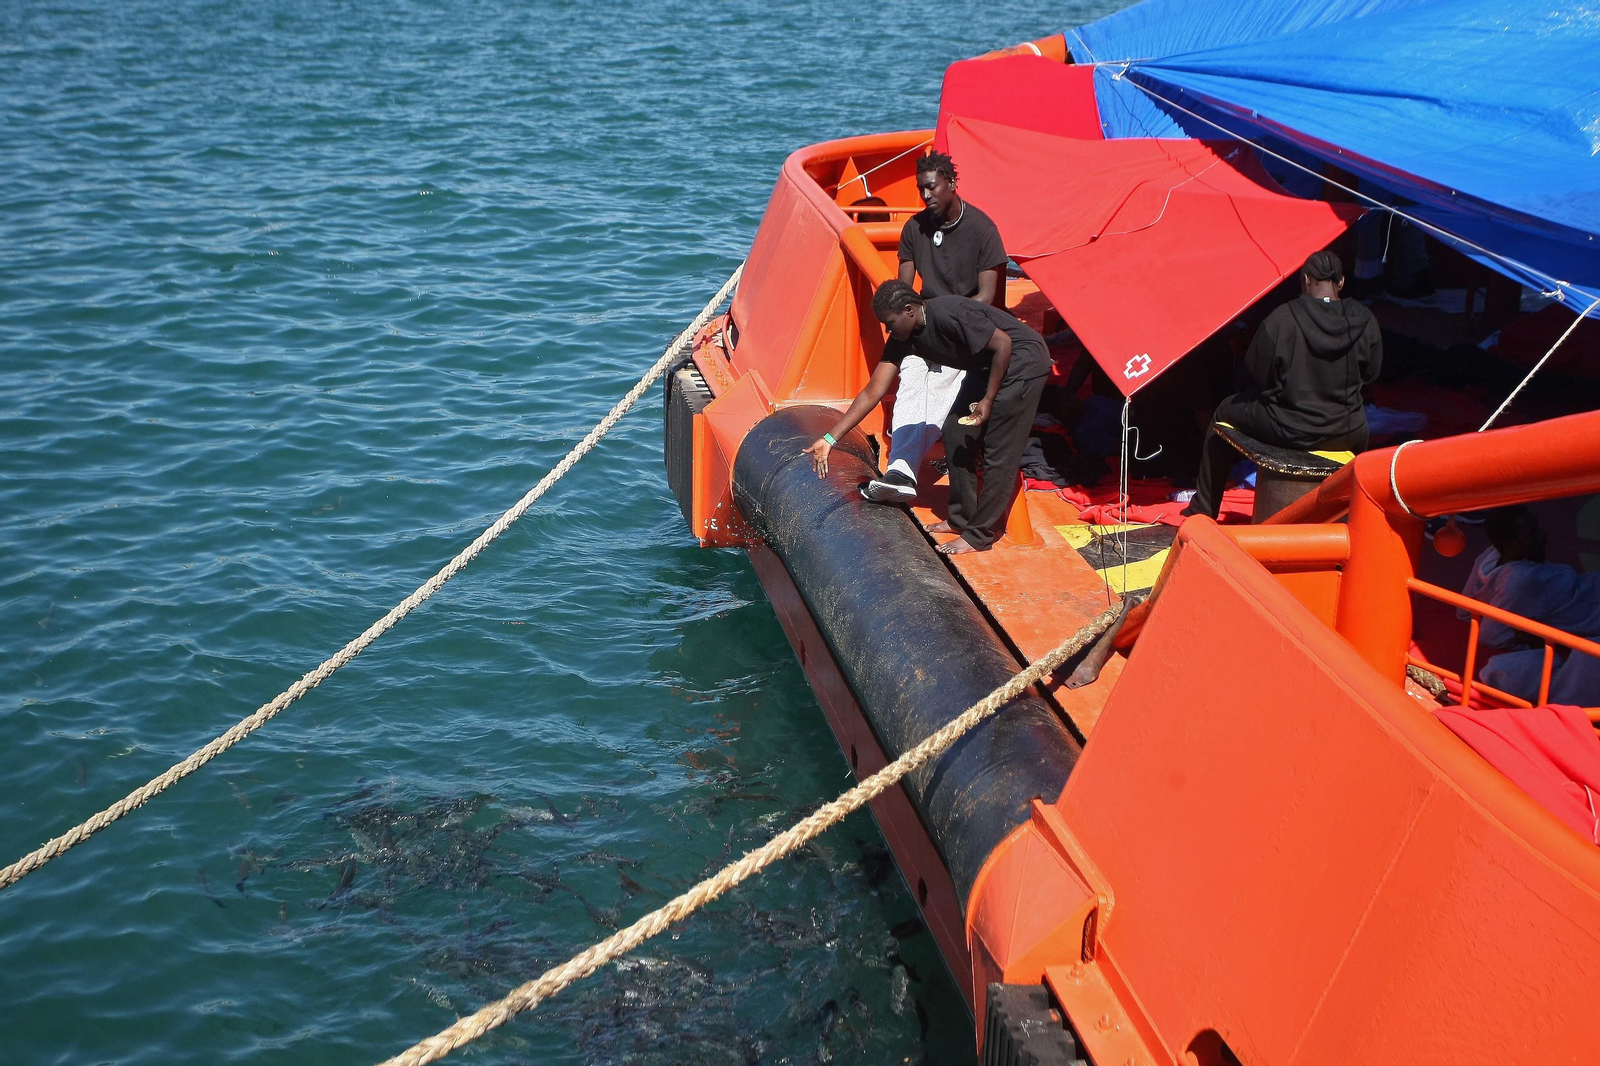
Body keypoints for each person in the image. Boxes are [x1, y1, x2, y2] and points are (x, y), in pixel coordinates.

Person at [803, 281, 1049, 554]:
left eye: (890, 323)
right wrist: (830, 438)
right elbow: (873, 391)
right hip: (985, 365)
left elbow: (1003, 343)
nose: (887, 330)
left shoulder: (948, 314)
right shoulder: (902, 338)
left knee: (999, 452)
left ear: (909, 311)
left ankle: (978, 536)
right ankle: (961, 518)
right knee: (956, 433)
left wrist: (988, 400)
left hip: (1021, 363)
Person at [1182, 250, 1381, 519]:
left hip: (1288, 428)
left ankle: (1203, 510)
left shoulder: (1282, 318)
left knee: (1222, 413)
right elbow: (1371, 375)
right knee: (1359, 421)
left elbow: (1255, 374)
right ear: (1342, 282)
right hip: (1347, 431)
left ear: (1305, 280)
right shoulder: (1364, 319)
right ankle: (1355, 517)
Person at [861, 151, 1009, 504]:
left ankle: (904, 467)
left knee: (943, 380)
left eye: (931, 188)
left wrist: (947, 320)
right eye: (920, 190)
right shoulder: (914, 228)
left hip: (966, 328)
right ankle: (901, 470)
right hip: (923, 323)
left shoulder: (983, 229)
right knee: (912, 375)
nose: (925, 196)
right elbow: (904, 287)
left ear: (952, 184)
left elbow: (987, 295)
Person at [1461, 506, 1600, 706]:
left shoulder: (1488, 556)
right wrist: (1535, 636)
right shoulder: (1520, 580)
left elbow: (1464, 611)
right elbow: (1489, 635)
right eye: (1533, 532)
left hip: (1589, 589)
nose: (1543, 535)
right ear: (1509, 544)